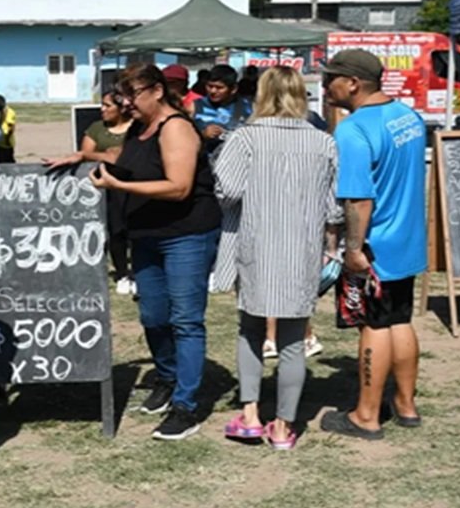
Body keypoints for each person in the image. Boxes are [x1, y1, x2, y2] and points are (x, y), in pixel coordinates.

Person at [90, 64, 221, 441]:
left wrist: (117, 185)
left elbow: (179, 186)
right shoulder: (139, 128)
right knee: (152, 315)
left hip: (185, 235)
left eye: (132, 95)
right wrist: (80, 157)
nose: (125, 103)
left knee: (185, 319)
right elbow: (125, 157)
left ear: (157, 91)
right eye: (122, 96)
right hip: (146, 234)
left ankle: (186, 405)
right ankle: (167, 377)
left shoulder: (176, 127)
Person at [213, 66, 342, 450]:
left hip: (255, 243)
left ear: (261, 95)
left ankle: (251, 415)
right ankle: (284, 426)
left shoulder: (245, 138)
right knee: (291, 340)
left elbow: (228, 189)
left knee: (250, 329)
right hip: (302, 248)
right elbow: (334, 208)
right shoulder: (324, 142)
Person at [320, 49, 427, 441]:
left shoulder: (353, 129)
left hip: (376, 244)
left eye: (331, 77)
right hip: (408, 239)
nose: (325, 85)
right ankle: (405, 404)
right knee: (399, 319)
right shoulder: (408, 116)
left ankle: (366, 415)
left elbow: (359, 199)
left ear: (353, 83)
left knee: (374, 325)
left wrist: (352, 248)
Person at [44, 90, 136, 294]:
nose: (102, 110)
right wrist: (102, 155)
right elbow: (85, 156)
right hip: (105, 186)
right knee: (116, 230)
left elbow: (124, 157)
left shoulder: (136, 128)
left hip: (136, 183)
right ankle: (122, 273)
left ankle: (137, 272)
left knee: (136, 230)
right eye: (102, 105)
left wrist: (107, 155)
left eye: (107, 106)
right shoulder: (97, 129)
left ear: (121, 108)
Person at [192, 64, 253, 154]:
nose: (213, 91)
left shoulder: (248, 108)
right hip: (204, 164)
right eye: (210, 86)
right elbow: (180, 137)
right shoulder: (195, 106)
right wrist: (203, 134)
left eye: (219, 88)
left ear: (233, 89)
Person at [0, 94, 17, 164]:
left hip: (6, 141)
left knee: (7, 160)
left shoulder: (9, 112)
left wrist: (7, 139)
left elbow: (11, 126)